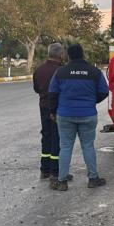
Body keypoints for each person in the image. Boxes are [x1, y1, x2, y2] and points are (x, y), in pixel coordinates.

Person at [48, 44, 108, 191]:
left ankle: (62, 181)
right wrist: (92, 101)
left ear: (68, 56)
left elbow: (52, 93)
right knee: (88, 146)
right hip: (87, 115)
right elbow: (104, 91)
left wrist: (52, 111)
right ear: (82, 55)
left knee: (65, 147)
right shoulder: (94, 72)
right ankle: (93, 179)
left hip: (65, 115)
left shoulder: (60, 72)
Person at [32, 43, 67, 181]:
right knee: (57, 138)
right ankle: (55, 171)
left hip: (43, 106)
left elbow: (36, 89)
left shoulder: (39, 70)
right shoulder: (62, 71)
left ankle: (44, 169)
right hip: (59, 108)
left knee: (46, 135)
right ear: (60, 55)